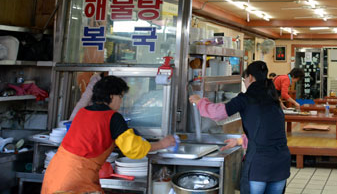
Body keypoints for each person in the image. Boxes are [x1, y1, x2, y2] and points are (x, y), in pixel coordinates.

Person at [42, 76, 176, 194]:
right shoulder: (113, 117)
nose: (121, 101)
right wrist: (163, 144)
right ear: (112, 96)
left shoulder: (83, 112)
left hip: (54, 175)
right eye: (121, 96)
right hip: (76, 181)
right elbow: (134, 149)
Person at [189, 61, 290, 194]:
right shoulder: (273, 98)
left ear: (250, 78)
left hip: (259, 165)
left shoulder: (246, 98)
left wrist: (199, 101)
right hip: (281, 163)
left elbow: (218, 113)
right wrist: (239, 141)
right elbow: (265, 133)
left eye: (244, 79)